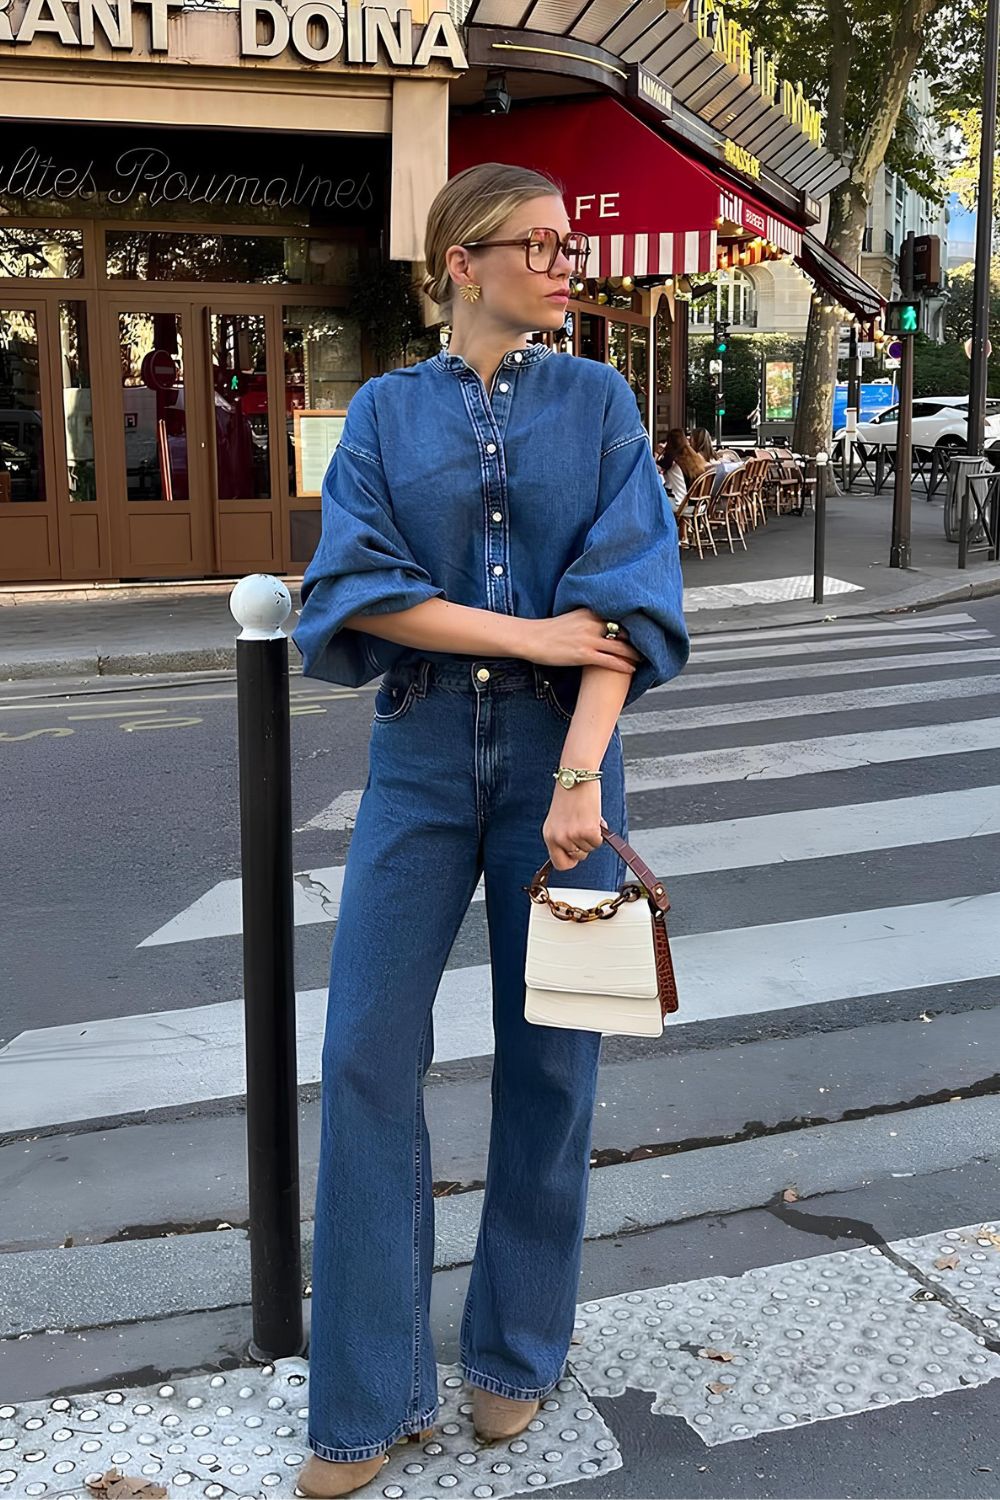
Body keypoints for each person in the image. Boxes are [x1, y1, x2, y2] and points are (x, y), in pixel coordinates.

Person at [292, 161, 689, 1499]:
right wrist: (524, 630)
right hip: (416, 754)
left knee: (551, 1063)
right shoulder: (387, 415)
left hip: (557, 763)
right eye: (540, 244)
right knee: (361, 1058)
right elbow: (355, 587)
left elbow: (629, 604)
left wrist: (581, 776)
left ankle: (516, 1348)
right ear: (460, 259)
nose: (567, 263)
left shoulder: (599, 399)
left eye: (572, 244)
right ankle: (366, 1397)